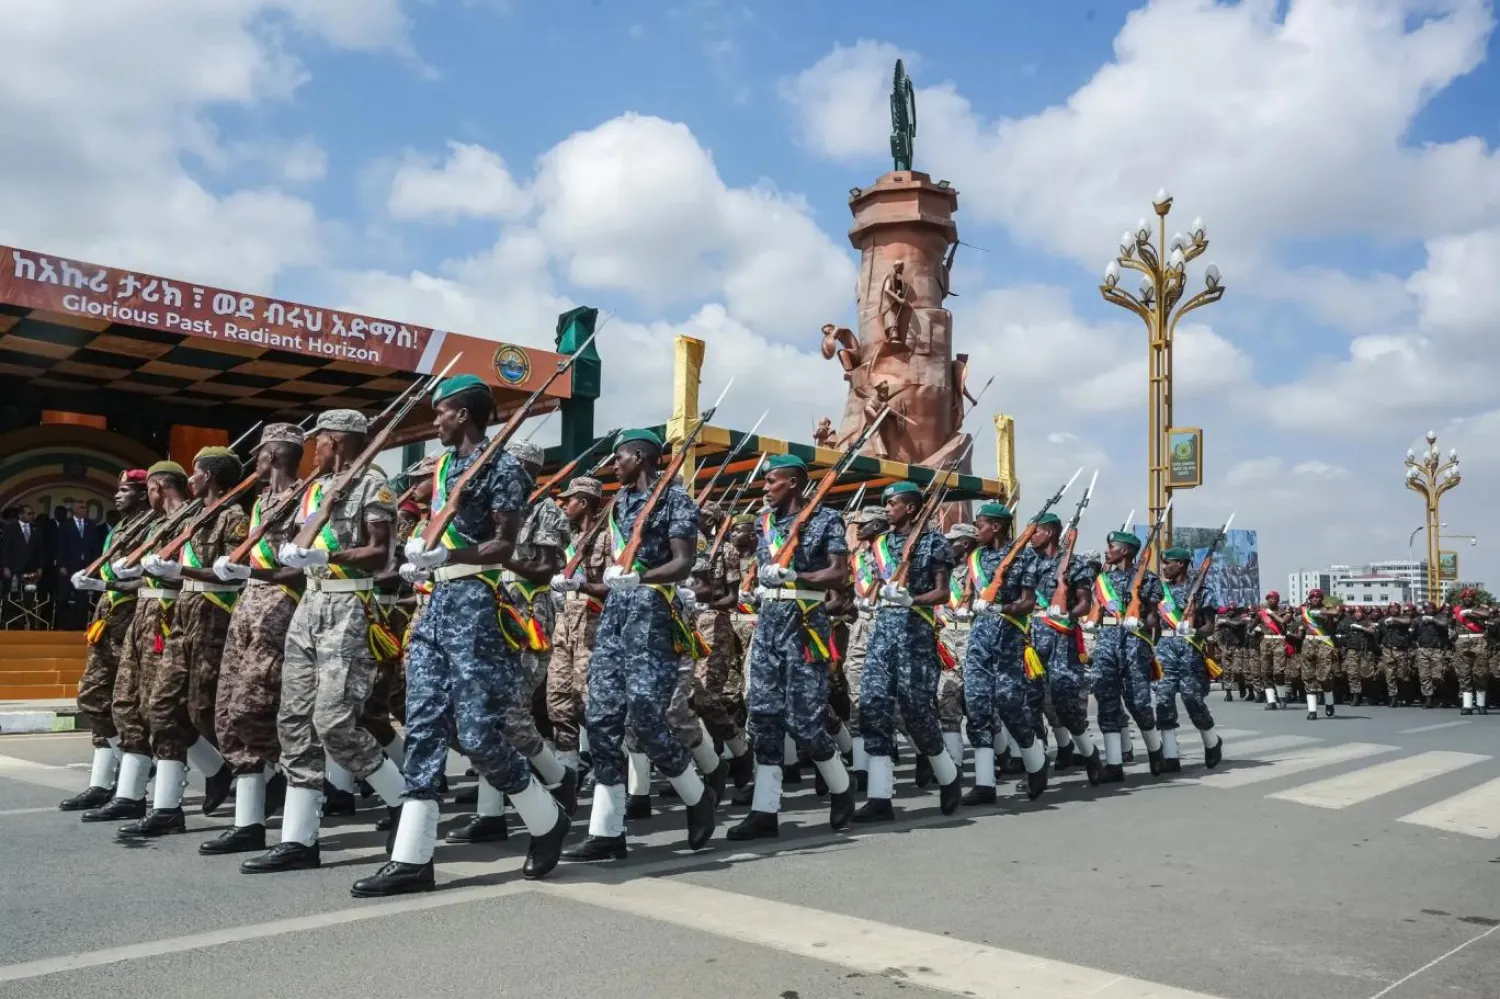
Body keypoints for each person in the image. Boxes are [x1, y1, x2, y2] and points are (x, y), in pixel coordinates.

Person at [353, 377, 570, 896]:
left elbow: (503, 545)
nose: (437, 423)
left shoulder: (504, 472)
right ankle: (413, 858)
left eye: (445, 413)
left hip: (476, 605)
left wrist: (449, 556)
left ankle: (546, 819)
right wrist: (421, 565)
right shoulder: (448, 468)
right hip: (437, 603)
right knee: (425, 724)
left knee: (477, 734)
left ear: (467, 415)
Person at [241, 409, 408, 876]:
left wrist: (328, 554)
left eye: (322, 440)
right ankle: (298, 838)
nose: (315, 448)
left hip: (349, 608)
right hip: (309, 606)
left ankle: (403, 800)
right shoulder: (316, 488)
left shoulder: (373, 484)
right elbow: (298, 544)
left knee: (333, 719)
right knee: (293, 720)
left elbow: (381, 553)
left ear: (338, 440)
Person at [564, 428, 716, 862]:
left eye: (619, 458)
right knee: (601, 717)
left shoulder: (676, 500)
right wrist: (584, 583)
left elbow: (683, 561)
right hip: (616, 616)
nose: (614, 466)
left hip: (652, 614)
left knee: (647, 714)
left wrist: (642, 578)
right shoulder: (621, 503)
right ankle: (607, 830)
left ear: (639, 456)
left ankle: (695, 792)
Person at [123, 447, 250, 838]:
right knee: (161, 707)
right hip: (183, 618)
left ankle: (257, 771)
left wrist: (181, 570)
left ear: (208, 476)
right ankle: (167, 808)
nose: (189, 480)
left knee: (205, 709)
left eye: (194, 474)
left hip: (214, 618)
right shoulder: (196, 515)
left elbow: (235, 572)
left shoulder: (234, 517)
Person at [727, 454, 853, 840]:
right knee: (762, 715)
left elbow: (839, 572)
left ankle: (842, 787)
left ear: (794, 483)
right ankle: (765, 810)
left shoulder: (825, 519)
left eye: (772, 481)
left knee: (804, 720)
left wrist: (797, 573)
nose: (765, 488)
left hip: (804, 622)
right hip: (769, 622)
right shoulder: (765, 523)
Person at [200, 424, 308, 855]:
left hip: (280, 605)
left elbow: (296, 568)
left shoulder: (304, 500)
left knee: (252, 707)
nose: (255, 461)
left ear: (277, 455)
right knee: (228, 711)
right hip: (248, 605)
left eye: (261, 453)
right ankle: (249, 822)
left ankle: (292, 776)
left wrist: (247, 571)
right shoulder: (263, 501)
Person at [84, 464, 190, 824]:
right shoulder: (131, 528)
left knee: (158, 709)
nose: (120, 495)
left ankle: (149, 786)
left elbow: (168, 575)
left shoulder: (163, 522)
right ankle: (116, 783)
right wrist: (103, 586)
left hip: (148, 618)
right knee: (117, 703)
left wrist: (112, 585)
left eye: (128, 490)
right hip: (119, 619)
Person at [854, 481, 959, 822]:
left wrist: (912, 599)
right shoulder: (881, 543)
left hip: (915, 635)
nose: (887, 508)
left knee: (916, 711)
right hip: (883, 634)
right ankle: (880, 797)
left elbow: (943, 593)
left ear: (911, 508)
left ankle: (948, 775)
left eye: (893, 503)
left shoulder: (934, 543)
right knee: (873, 706)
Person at [60, 471, 154, 812]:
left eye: (126, 490)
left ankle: (136, 778)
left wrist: (105, 586)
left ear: (144, 494)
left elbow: (152, 578)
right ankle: (103, 781)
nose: (118, 496)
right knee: (93, 696)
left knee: (127, 704)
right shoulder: (120, 528)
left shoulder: (155, 527)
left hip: (133, 619)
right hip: (107, 619)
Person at [964, 503, 1049, 802]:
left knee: (1010, 704)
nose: (977, 531)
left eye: (980, 525)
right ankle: (985, 783)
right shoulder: (975, 557)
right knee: (975, 706)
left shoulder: (1024, 557)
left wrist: (1001, 607)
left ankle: (1036, 763)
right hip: (979, 642)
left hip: (1009, 640)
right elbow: (970, 593)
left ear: (996, 527)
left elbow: (1028, 602)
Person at [1027, 512, 1102, 783]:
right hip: (1030, 640)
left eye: (1034, 531)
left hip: (1061, 640)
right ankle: (1037, 766)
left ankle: (1089, 753)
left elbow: (1086, 603)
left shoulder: (1075, 564)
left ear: (1048, 533)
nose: (1030, 536)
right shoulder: (1025, 562)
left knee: (1064, 702)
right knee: (1030, 703)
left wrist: (1068, 614)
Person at [1089, 530, 1165, 782]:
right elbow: (1097, 610)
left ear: (1125, 551)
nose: (1107, 551)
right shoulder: (1102, 580)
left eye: (1112, 547)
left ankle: (1155, 750)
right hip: (1107, 642)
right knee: (1106, 698)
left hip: (1134, 642)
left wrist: (1142, 622)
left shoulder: (1148, 580)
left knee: (1139, 702)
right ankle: (1114, 763)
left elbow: (1155, 617)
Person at [546, 477, 608, 780]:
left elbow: (614, 586)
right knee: (557, 697)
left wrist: (582, 584)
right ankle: (568, 769)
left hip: (592, 620)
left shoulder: (608, 538)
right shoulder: (566, 538)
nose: (564, 505)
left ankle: (604, 759)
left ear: (583, 503)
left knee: (588, 699)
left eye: (569, 499)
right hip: (564, 620)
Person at [1154, 547, 1223, 771]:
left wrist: (1194, 631)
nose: (1164, 567)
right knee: (1163, 701)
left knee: (1192, 699)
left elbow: (1209, 626)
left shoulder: (1202, 591)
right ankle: (1171, 755)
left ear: (1181, 564)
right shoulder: (1159, 590)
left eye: (1168, 563)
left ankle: (1212, 741)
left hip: (1190, 651)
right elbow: (1153, 622)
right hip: (1165, 650)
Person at [843, 506, 886, 792]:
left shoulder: (893, 555)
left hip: (887, 624)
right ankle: (860, 766)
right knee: (855, 690)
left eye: (864, 524)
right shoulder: (857, 558)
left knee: (886, 697)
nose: (858, 528)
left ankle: (928, 753)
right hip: (860, 626)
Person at [937, 522, 977, 773]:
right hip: (947, 640)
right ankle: (954, 763)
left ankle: (1004, 754)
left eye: (952, 541)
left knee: (977, 701)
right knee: (947, 701)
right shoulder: (945, 571)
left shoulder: (978, 572)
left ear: (964, 543)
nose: (947, 545)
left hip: (971, 637)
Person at [56, 500, 105, 630]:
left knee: (82, 598)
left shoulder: (91, 525)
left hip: (85, 567)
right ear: (74, 510)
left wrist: (95, 565)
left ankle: (79, 626)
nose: (85, 510)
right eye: (82, 507)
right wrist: (61, 565)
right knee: (64, 596)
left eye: (86, 508)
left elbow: (96, 547)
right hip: (68, 565)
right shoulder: (65, 525)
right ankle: (63, 626)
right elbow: (60, 547)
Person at [1296, 589, 1341, 720]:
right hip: (1308, 643)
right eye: (1312, 597)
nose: (1315, 599)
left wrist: (1320, 612)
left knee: (1324, 677)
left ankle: (1329, 702)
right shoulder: (1304, 609)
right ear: (1309, 598)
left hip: (1324, 643)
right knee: (1308, 676)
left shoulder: (1328, 609)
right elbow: (1292, 615)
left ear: (1321, 598)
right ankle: (1312, 710)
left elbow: (1337, 611)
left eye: (1317, 597)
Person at [1451, 589, 1490, 715]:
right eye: (1466, 597)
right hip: (1462, 642)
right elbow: (1450, 621)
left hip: (1478, 640)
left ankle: (1481, 704)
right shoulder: (1456, 610)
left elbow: (1486, 614)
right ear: (1462, 598)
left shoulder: (1481, 608)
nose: (1468, 599)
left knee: (1481, 673)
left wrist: (1470, 612)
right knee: (1464, 674)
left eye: (1471, 597)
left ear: (1474, 598)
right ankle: (1467, 705)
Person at [1254, 591, 1294, 709]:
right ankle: (1271, 701)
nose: (1271, 600)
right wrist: (1253, 629)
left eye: (1274, 598)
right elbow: (1252, 624)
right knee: (1265, 672)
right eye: (1269, 599)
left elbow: (1284, 621)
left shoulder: (1285, 610)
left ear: (1278, 599)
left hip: (1279, 641)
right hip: (1265, 642)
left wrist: (1271, 614)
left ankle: (1281, 698)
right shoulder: (1262, 613)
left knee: (1278, 672)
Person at [1412, 602, 1452, 710]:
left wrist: (1432, 619)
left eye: (1431, 608)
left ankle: (1443, 696)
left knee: (1438, 676)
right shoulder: (1418, 620)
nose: (1429, 609)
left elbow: (1444, 623)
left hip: (1436, 650)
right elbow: (1412, 634)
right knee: (1424, 676)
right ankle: (1428, 699)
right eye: (1426, 608)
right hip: (1423, 650)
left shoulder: (1439, 617)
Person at [1380, 604, 1415, 707]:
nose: (1393, 609)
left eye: (1395, 608)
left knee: (1402, 676)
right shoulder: (1384, 619)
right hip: (1388, 650)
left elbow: (1408, 621)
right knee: (1390, 676)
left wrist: (1394, 619)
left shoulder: (1403, 618)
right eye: (1391, 608)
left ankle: (1408, 695)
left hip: (1401, 651)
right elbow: (1380, 632)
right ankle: (1393, 698)